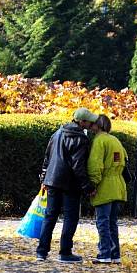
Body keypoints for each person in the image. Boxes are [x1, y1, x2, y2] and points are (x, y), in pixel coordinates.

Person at [36, 108, 98, 263]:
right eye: (89, 121)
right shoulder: (81, 139)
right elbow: (78, 166)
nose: (92, 124)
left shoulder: (57, 133)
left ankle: (41, 252)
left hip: (52, 181)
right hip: (70, 184)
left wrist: (44, 178)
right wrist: (88, 187)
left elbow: (47, 157)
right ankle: (65, 252)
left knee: (50, 216)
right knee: (71, 217)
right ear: (82, 122)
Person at [87, 114, 127, 264]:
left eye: (92, 124)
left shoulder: (99, 141)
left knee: (102, 222)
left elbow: (95, 166)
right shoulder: (115, 140)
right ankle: (115, 254)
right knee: (112, 223)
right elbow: (123, 161)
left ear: (97, 126)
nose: (90, 127)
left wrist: (92, 185)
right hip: (118, 186)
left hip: (105, 187)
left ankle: (104, 254)